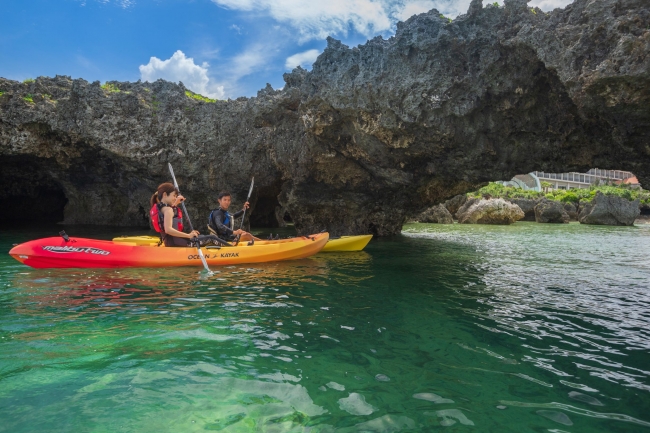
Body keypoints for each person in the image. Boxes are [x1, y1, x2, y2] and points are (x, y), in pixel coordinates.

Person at [150, 183, 221, 247]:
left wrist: (176, 203)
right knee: (212, 238)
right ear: (165, 195)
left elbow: (170, 215)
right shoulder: (168, 210)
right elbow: (168, 230)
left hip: (170, 242)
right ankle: (230, 249)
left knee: (201, 236)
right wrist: (188, 235)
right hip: (177, 243)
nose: (175, 198)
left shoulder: (160, 208)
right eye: (174, 196)